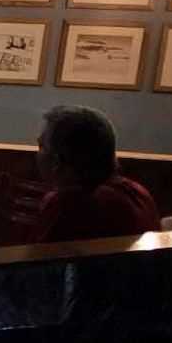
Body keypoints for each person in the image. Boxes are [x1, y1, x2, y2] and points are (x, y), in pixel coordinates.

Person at [31, 105, 160, 244]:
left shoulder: (72, 206)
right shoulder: (137, 193)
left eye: (41, 146)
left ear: (56, 161)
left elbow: (37, 260)